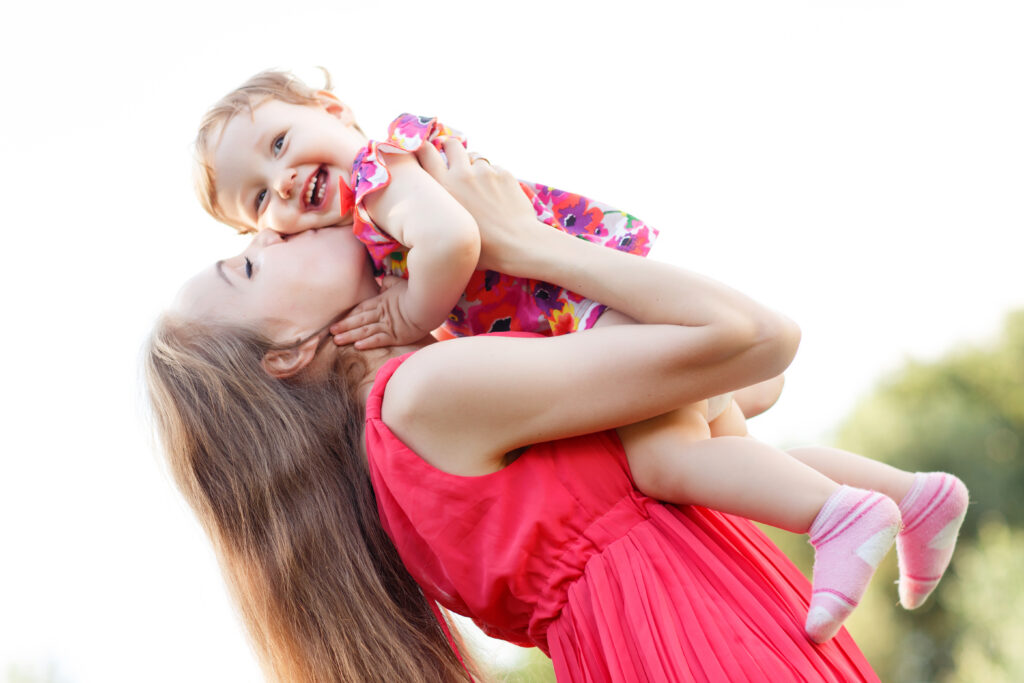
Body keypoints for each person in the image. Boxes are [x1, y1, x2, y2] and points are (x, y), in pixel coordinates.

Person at [190, 69, 967, 643]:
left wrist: (408, 309)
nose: (283, 183)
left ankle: (836, 515)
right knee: (722, 447)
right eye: (259, 201)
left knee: (669, 462)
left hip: (574, 307)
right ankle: (913, 496)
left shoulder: (380, 178)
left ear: (333, 110)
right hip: (571, 314)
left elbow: (457, 241)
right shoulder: (375, 223)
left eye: (282, 143)